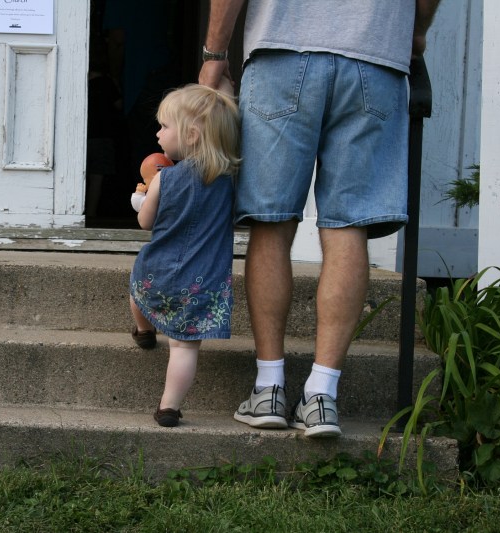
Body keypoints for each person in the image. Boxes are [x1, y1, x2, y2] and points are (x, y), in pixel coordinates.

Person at [198, 0, 440, 438]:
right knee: (348, 227)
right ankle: (321, 397)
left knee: (272, 223)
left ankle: (269, 388)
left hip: (282, 54)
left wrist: (215, 55)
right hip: (375, 57)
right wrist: (417, 29)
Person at [128, 84, 240, 427]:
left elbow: (146, 222)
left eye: (164, 126)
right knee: (184, 347)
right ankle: (169, 408)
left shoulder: (165, 178)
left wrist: (142, 201)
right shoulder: (231, 182)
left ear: (191, 134)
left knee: (137, 290)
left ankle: (144, 329)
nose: (158, 133)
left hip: (157, 271)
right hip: (203, 280)